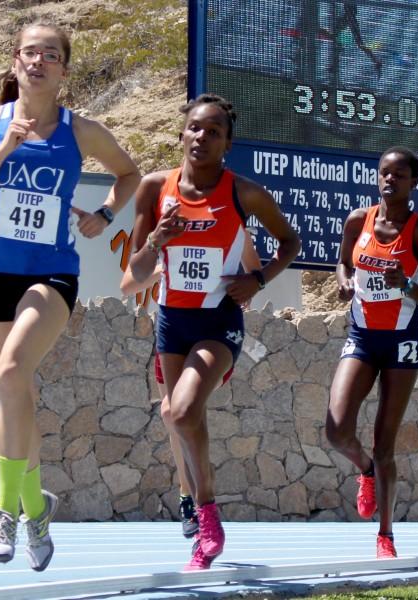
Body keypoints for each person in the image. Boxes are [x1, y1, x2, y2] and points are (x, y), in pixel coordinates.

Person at [0, 23, 140, 570]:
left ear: (63, 70)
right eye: (30, 52)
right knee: (12, 395)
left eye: (51, 55)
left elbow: (129, 173)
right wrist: (2, 150)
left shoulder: (82, 131)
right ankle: (37, 507)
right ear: (15, 62)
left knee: (11, 375)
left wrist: (104, 215)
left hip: (51, 274)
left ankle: (5, 512)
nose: (39, 61)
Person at [125, 93, 300, 570]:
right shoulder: (154, 189)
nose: (202, 137)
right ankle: (198, 507)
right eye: (195, 129)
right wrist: (158, 239)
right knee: (185, 416)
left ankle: (207, 513)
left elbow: (290, 241)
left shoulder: (244, 193)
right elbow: (134, 276)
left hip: (219, 321)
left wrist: (259, 278)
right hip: (172, 322)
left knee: (179, 412)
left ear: (228, 144)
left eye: (214, 132)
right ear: (182, 134)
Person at [327, 147, 418, 558]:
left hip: (400, 341)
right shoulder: (358, 220)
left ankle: (386, 535)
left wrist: (406, 285)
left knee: (384, 444)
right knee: (336, 429)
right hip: (361, 335)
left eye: (398, 175)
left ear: (413, 182)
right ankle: (366, 472)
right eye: (383, 173)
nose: (389, 180)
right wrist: (343, 282)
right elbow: (342, 264)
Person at [120, 231, 261, 542]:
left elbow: (256, 271)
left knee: (188, 410)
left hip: (214, 331)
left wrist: (248, 286)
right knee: (175, 417)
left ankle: (199, 498)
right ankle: (190, 493)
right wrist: (161, 271)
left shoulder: (235, 231)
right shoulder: (164, 235)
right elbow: (128, 284)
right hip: (173, 335)